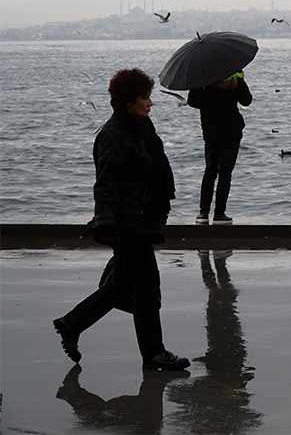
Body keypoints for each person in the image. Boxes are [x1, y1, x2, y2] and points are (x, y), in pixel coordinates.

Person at [53, 68, 189, 371]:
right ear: (128, 101)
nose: (150, 103)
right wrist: (106, 222)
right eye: (145, 97)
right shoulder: (114, 135)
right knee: (147, 286)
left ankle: (71, 323)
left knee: (121, 285)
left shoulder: (139, 129)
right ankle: (154, 353)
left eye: (150, 97)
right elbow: (106, 182)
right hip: (128, 225)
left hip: (141, 220)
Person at [187, 71, 252, 225]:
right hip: (231, 131)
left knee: (210, 171)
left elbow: (192, 102)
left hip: (210, 131)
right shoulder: (233, 79)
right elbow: (247, 100)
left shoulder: (201, 80)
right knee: (225, 173)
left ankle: (203, 213)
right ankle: (219, 214)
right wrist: (240, 79)